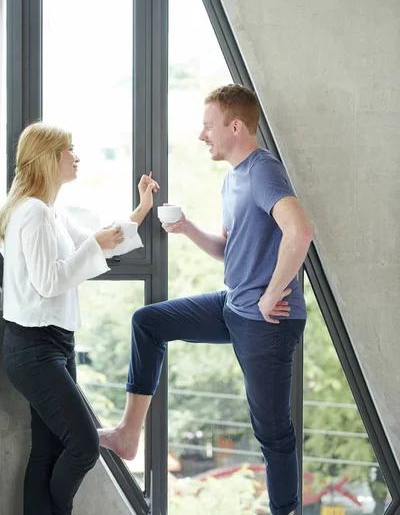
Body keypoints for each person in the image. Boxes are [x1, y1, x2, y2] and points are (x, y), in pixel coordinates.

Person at [99, 84, 313, 515]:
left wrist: (272, 296)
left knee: (272, 432)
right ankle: (127, 435)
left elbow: (300, 231)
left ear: (236, 126)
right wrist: (188, 229)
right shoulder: (233, 178)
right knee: (148, 322)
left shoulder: (262, 171)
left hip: (264, 321)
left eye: (208, 126)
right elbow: (229, 251)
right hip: (232, 305)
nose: (202, 135)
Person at [0, 122, 159, 515]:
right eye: (69, 150)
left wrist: (140, 210)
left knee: (48, 447)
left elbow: (100, 240)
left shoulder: (50, 211)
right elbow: (50, 280)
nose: (76, 157)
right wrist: (94, 245)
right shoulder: (33, 213)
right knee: (84, 444)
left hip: (54, 342)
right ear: (50, 158)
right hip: (33, 346)